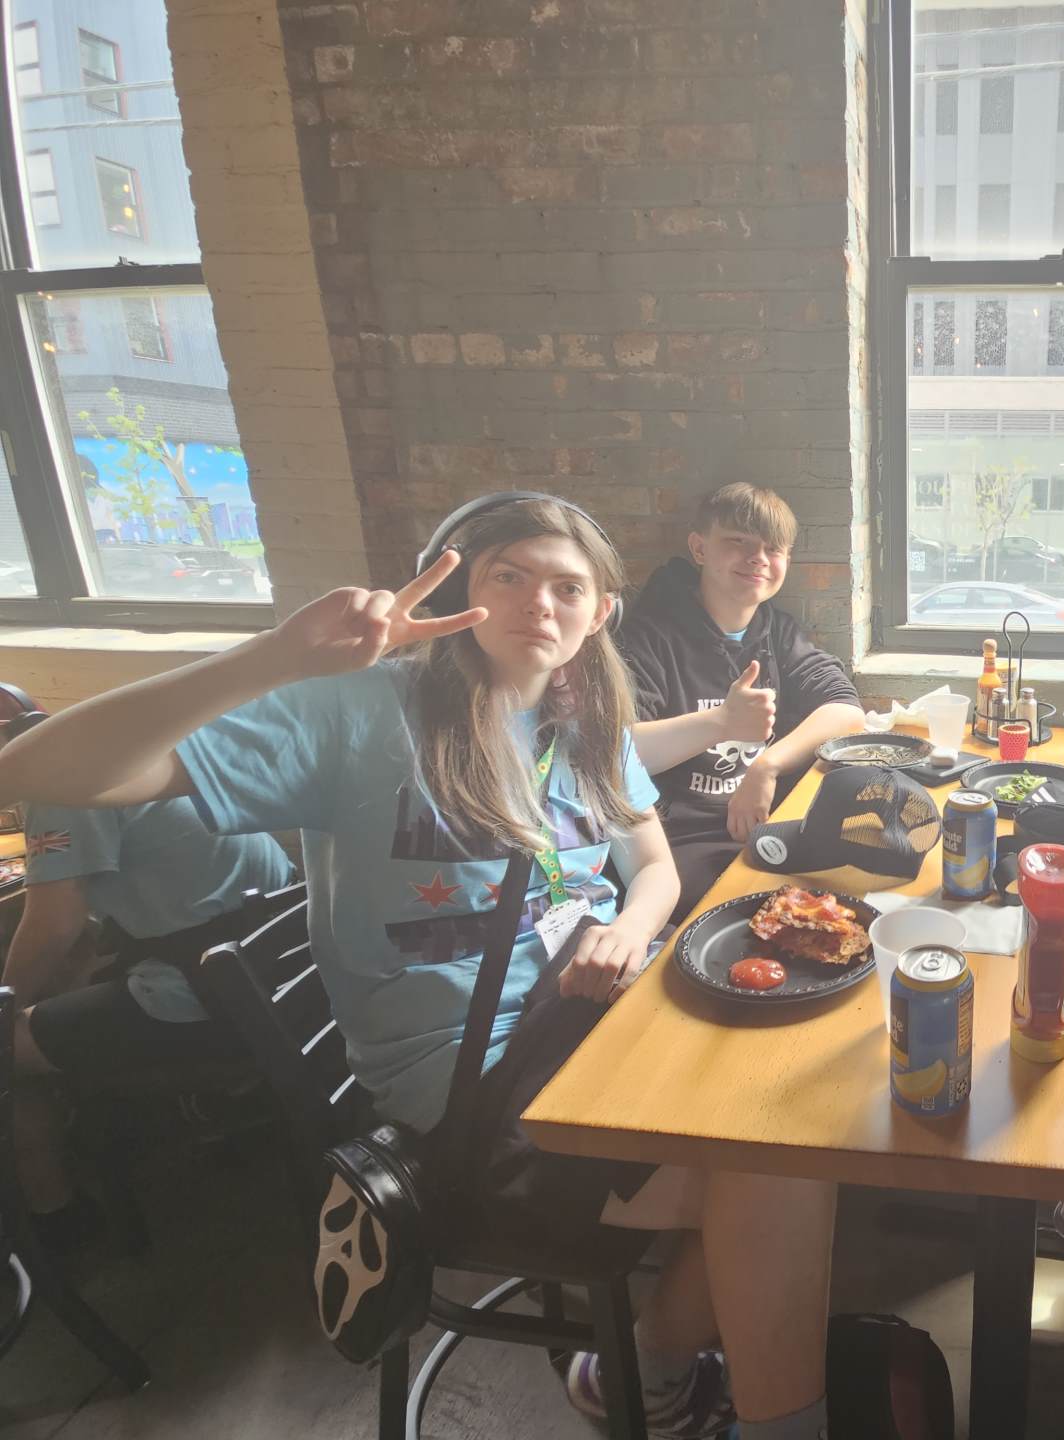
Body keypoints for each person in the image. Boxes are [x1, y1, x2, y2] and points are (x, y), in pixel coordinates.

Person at [0, 495, 837, 1440]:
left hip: (597, 1022)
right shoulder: (365, 711)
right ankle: (664, 1379)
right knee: (778, 1173)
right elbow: (36, 772)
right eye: (508, 576)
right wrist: (276, 657)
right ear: (457, 589)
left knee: (797, 1124)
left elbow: (651, 867)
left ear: (601, 612)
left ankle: (645, 1373)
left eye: (567, 587)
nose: (540, 603)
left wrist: (631, 926)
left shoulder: (583, 715)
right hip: (471, 1093)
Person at [1, 681, 293, 1241]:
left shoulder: (50, 778)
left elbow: (54, 922)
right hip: (281, 973)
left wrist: (4, 1008)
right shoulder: (127, 740)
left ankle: (57, 1218)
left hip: (206, 997)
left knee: (5, 1048)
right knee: (63, 980)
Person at [619, 483, 863, 916]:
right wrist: (721, 722)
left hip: (769, 821)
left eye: (773, 548)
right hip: (680, 840)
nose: (758, 558)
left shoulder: (776, 632)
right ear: (699, 548)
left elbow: (845, 709)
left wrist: (767, 767)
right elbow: (618, 753)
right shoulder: (648, 637)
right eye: (738, 541)